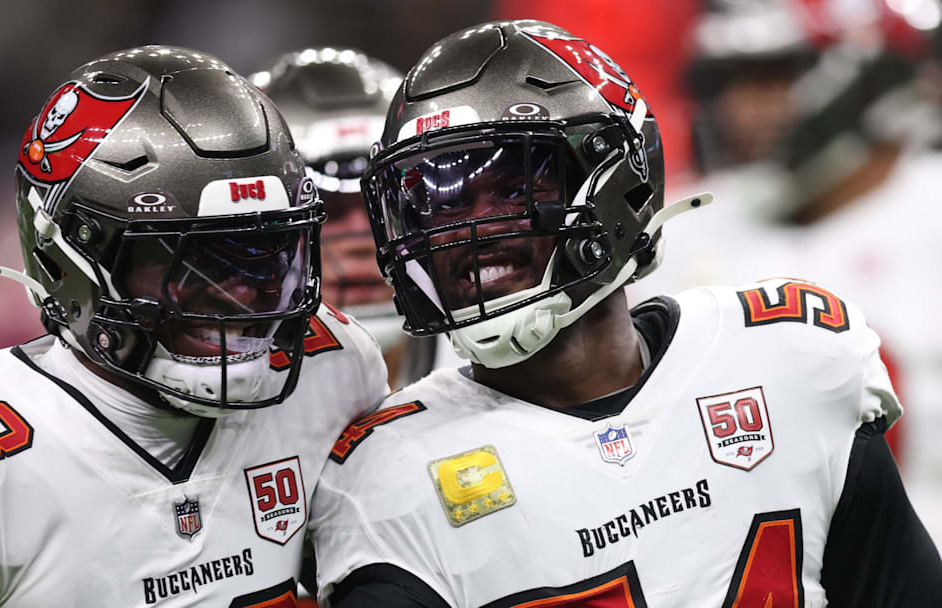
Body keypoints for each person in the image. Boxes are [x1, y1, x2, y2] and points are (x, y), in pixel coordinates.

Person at [308, 19, 942, 607]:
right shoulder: (384, 479)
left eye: (511, 185)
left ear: (620, 180)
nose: (466, 232)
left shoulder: (788, 362)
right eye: (435, 200)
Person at [0, 45, 387, 607]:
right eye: (189, 260)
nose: (238, 292)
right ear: (70, 256)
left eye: (261, 250)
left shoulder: (333, 373)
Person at [632, 0, 942, 546]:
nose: (740, 110)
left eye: (775, 78)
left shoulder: (928, 212)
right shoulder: (679, 231)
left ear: (867, 74)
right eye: (727, 83)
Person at [251, 48, 464, 389]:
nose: (362, 237)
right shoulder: (230, 389)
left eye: (382, 201)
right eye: (325, 207)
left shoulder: (489, 368)